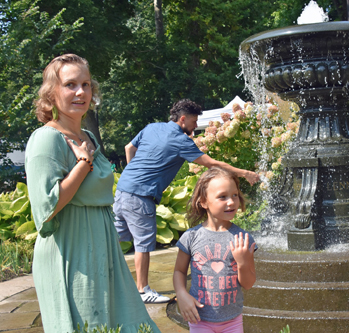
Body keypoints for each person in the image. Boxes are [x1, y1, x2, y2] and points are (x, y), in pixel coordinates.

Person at [25, 54, 160, 333]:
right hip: (71, 251)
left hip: (102, 248)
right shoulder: (46, 139)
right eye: (70, 84)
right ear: (52, 93)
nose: (80, 92)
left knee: (126, 322)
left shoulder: (89, 136)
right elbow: (45, 207)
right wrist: (83, 164)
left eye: (86, 85)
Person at [114, 99, 260, 303]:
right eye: (193, 121)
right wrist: (244, 173)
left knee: (115, 239)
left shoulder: (152, 127)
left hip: (122, 190)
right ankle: (142, 290)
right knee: (143, 243)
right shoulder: (180, 141)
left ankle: (104, 280)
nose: (194, 126)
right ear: (182, 119)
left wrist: (133, 175)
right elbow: (211, 163)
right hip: (140, 196)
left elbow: (129, 147)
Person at [173, 167, 257, 332]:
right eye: (222, 197)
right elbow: (179, 271)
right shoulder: (191, 237)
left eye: (234, 195)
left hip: (232, 320)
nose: (231, 202)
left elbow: (248, 284)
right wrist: (181, 294)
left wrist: (242, 263)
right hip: (199, 319)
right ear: (203, 202)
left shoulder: (243, 239)